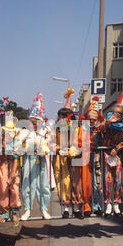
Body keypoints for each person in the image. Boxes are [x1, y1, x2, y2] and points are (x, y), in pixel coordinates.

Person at [101, 83, 123, 217]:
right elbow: (100, 129)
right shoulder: (108, 120)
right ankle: (108, 204)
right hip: (107, 154)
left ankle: (117, 204)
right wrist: (108, 122)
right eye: (115, 112)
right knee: (108, 180)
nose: (116, 115)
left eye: (119, 113)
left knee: (119, 180)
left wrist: (118, 148)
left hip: (120, 155)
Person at [19, 93, 51, 221]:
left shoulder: (45, 132)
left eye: (37, 121)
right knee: (27, 184)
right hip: (28, 160)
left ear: (41, 121)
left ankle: (44, 209)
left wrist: (46, 148)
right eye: (32, 121)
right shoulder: (25, 132)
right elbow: (18, 147)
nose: (35, 124)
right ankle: (27, 209)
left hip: (41, 161)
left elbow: (51, 147)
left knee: (43, 185)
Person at [53, 88, 84, 219]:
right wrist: (58, 147)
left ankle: (77, 208)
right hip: (61, 160)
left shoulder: (77, 128)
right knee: (64, 182)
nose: (61, 119)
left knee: (76, 183)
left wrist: (74, 149)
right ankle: (65, 208)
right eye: (60, 116)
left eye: (64, 116)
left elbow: (81, 143)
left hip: (75, 158)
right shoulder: (56, 129)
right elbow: (50, 143)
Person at [0, 112, 22, 226]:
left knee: (14, 187)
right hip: (3, 164)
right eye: (7, 132)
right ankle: (4, 212)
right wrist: (2, 148)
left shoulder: (17, 141)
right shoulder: (0, 141)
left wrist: (13, 173)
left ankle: (14, 211)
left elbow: (16, 157)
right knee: (3, 188)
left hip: (13, 165)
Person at [79, 96, 104, 217]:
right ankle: (86, 205)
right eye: (90, 119)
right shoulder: (82, 129)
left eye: (95, 118)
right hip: (85, 159)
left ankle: (97, 205)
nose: (92, 121)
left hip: (97, 158)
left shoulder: (100, 130)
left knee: (97, 182)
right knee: (85, 182)